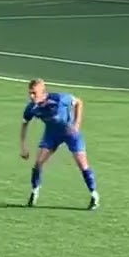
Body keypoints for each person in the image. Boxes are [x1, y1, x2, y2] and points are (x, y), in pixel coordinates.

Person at [21, 79, 99, 210]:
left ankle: (94, 195)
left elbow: (79, 102)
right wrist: (23, 146)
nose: (31, 96)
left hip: (70, 134)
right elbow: (24, 123)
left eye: (34, 93)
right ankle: (34, 192)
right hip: (51, 135)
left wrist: (77, 124)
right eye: (30, 93)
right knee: (38, 162)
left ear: (42, 91)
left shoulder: (60, 98)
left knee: (82, 165)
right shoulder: (31, 108)